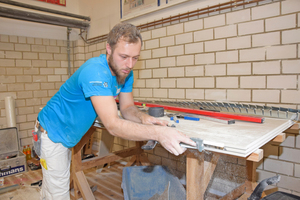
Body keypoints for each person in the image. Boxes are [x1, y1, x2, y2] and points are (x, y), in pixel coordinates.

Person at [34, 22, 196, 200]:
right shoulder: (95, 72)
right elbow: (112, 125)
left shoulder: (125, 72)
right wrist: (159, 133)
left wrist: (143, 118)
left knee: (52, 188)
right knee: (58, 193)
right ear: (108, 49)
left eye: (135, 58)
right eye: (124, 56)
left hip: (68, 133)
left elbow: (127, 108)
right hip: (52, 132)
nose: (130, 64)